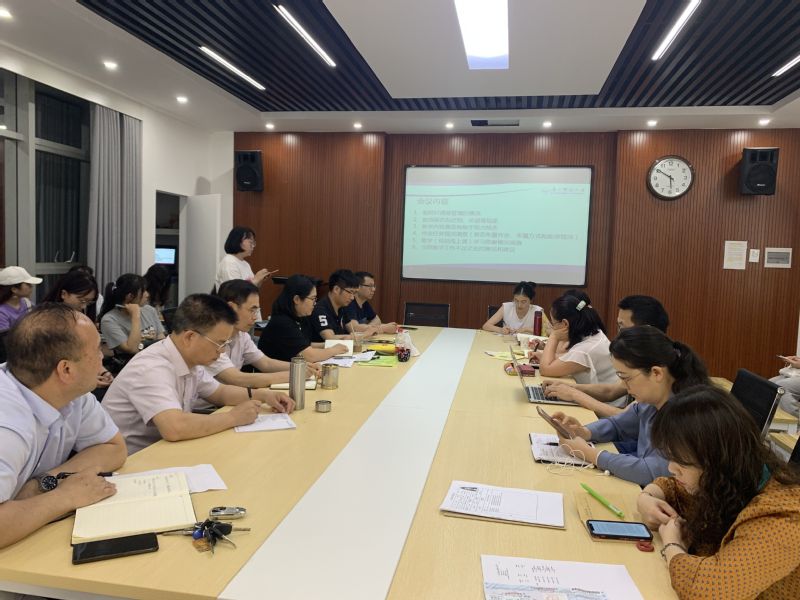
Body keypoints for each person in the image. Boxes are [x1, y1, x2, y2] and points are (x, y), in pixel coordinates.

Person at [638, 385, 800, 599]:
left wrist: (672, 545)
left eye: (682, 463)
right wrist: (647, 497)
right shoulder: (731, 480)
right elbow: (675, 489)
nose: (671, 469)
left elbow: (709, 591)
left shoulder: (783, 519)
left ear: (717, 461)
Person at [0, 304, 127, 549]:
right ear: (66, 369)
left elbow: (114, 448)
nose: (102, 357)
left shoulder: (72, 394)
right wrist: (64, 497)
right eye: (96, 349)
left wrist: (44, 482)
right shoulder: (7, 424)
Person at [102, 294, 295, 455]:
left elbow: (220, 393)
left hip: (164, 451)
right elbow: (174, 428)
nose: (222, 351)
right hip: (131, 462)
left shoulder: (190, 360)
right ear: (190, 337)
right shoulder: (151, 367)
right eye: (219, 343)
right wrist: (233, 417)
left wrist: (264, 395)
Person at [550, 326, 710, 486]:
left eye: (626, 378)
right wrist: (584, 432)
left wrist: (590, 454)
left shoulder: (687, 416)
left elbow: (652, 472)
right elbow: (618, 425)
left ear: (656, 373)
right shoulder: (650, 401)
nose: (625, 387)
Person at [544, 294, 671, 417]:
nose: (619, 334)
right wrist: (569, 387)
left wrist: (574, 395)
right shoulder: (644, 356)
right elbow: (611, 391)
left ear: (645, 329)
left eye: (622, 327)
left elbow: (624, 417)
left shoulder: (660, 368)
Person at [208, 279, 317, 388]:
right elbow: (237, 379)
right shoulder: (210, 338)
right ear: (231, 308)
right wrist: (296, 373)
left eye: (256, 311)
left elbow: (265, 363)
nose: (255, 317)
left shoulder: (242, 335)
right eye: (252, 310)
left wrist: (301, 367)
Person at [42, 271, 113, 393]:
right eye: (81, 300)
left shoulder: (78, 316)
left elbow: (89, 351)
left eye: (89, 302)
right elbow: (48, 362)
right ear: (64, 294)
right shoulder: (46, 320)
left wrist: (102, 371)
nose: (84, 306)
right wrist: (83, 380)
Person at [536, 295, 619, 397]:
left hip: (602, 404)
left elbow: (545, 370)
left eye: (553, 324)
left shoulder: (584, 350)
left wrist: (554, 336)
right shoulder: (593, 334)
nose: (553, 328)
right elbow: (569, 358)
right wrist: (545, 356)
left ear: (565, 324)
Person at [258, 274, 350, 362]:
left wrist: (334, 344)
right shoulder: (282, 322)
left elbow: (306, 345)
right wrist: (334, 350)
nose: (315, 303)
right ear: (297, 299)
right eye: (312, 299)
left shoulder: (301, 317)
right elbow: (309, 356)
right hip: (275, 372)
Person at [99, 273, 165, 355]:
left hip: (155, 357)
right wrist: (135, 317)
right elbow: (133, 349)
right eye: (143, 291)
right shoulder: (109, 320)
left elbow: (162, 340)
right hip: (132, 361)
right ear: (130, 296)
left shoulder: (149, 310)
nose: (147, 294)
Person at [214, 226, 275, 291]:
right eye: (251, 242)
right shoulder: (229, 262)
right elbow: (235, 292)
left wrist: (260, 280)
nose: (253, 246)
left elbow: (252, 289)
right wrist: (256, 279)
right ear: (238, 241)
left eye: (254, 243)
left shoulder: (245, 264)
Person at [482, 281, 551, 335]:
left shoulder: (538, 311)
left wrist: (526, 329)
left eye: (523, 302)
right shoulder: (507, 307)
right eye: (516, 300)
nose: (519, 305)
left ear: (531, 300)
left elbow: (551, 332)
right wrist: (501, 330)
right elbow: (486, 326)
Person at [310, 270, 358, 342]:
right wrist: (352, 337)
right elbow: (330, 338)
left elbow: (353, 329)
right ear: (336, 289)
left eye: (354, 293)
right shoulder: (320, 309)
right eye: (350, 292)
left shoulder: (342, 307)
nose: (352, 298)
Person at [0, 267, 41, 331]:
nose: (31, 286)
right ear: (14, 289)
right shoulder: (2, 312)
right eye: (27, 284)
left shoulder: (27, 303)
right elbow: (5, 336)